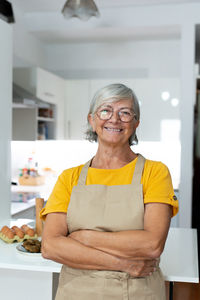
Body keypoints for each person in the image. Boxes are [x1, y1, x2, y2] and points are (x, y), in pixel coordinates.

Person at [40, 83, 179, 300]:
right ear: (92, 120)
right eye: (105, 110)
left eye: (125, 113)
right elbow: (50, 246)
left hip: (137, 292)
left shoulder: (155, 172)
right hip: (76, 292)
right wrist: (124, 264)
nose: (114, 119)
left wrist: (83, 237)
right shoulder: (69, 178)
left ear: (135, 124)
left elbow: (152, 244)